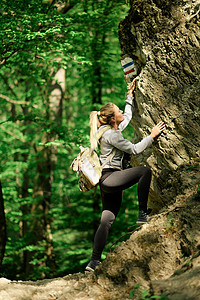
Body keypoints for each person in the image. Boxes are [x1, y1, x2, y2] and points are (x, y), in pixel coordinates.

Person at [85, 81, 165, 272]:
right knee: (144, 172)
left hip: (108, 182)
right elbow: (136, 149)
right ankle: (142, 214)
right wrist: (152, 136)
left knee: (106, 220)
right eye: (118, 110)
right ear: (113, 118)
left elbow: (127, 117)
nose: (122, 112)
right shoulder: (112, 135)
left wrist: (130, 96)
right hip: (111, 178)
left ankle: (93, 261)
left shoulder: (110, 130)